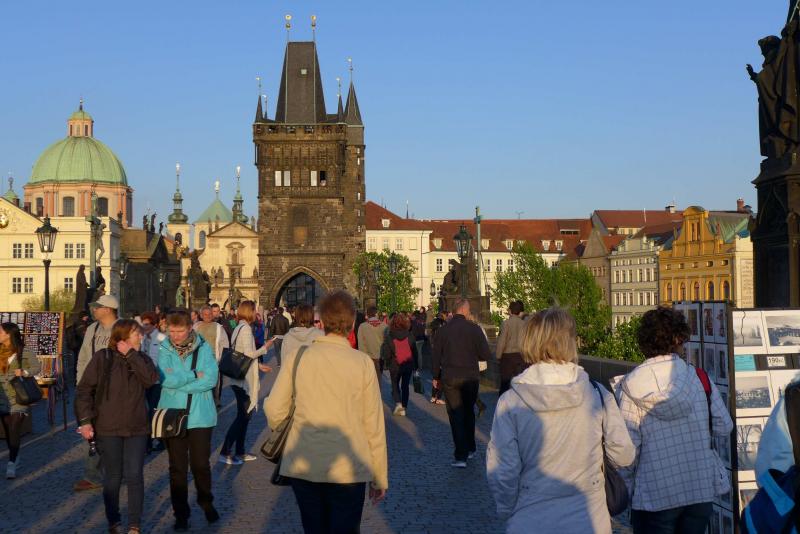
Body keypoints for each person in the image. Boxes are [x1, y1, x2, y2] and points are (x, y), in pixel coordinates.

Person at [486, 308, 635, 533]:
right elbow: (624, 454)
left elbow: (502, 470)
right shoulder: (597, 395)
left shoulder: (511, 401)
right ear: (570, 342)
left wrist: (510, 511)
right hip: (589, 518)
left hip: (531, 518)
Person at [265, 291, 388, 533]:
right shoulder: (362, 362)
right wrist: (379, 477)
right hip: (348, 466)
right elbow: (373, 425)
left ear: (321, 321)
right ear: (352, 322)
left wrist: (295, 436)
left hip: (305, 463)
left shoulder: (299, 357)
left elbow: (274, 409)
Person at [612, 306, 733, 534]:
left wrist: (624, 492)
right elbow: (723, 426)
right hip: (698, 490)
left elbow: (627, 452)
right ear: (678, 339)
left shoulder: (630, 387)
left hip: (654, 495)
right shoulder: (698, 378)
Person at [75, 320, 159, 534]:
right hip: (108, 426)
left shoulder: (143, 359)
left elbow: (150, 380)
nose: (141, 337)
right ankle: (114, 521)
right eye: (137, 334)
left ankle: (134, 525)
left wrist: (131, 355)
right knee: (113, 477)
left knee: (135, 475)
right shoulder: (102, 358)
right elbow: (84, 390)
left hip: (137, 427)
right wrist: (85, 421)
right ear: (123, 337)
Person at [158, 310, 220, 531]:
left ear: (190, 328)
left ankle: (205, 500)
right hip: (173, 414)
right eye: (172, 331)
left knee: (200, 465)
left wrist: (180, 382)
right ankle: (181, 513)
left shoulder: (203, 348)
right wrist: (194, 375)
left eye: (180, 331)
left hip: (200, 415)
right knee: (177, 468)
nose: (175, 336)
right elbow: (165, 379)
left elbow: (211, 379)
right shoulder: (163, 349)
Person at [432, 298, 490, 467]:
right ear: (464, 310)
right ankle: (471, 448)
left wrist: (436, 377)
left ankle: (460, 456)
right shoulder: (474, 329)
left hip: (450, 376)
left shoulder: (443, 330)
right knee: (468, 411)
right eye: (468, 309)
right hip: (470, 376)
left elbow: (436, 356)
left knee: (456, 414)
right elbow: (485, 354)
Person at [74, 294, 120, 492]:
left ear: (108, 309)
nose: (94, 310)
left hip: (116, 390)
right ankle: (92, 475)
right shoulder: (92, 329)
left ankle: (118, 471)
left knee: (116, 431)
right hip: (92, 388)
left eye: (97, 307)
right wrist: (81, 384)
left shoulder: (122, 328)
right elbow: (83, 358)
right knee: (90, 430)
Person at [219, 300, 273, 465]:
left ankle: (240, 451)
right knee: (243, 416)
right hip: (243, 381)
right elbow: (249, 354)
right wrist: (266, 347)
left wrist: (259, 365)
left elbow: (242, 353)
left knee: (244, 416)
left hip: (238, 377)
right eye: (254, 310)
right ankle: (225, 451)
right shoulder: (246, 329)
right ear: (249, 311)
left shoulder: (239, 327)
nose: (256, 313)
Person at [0, 322, 38, 479]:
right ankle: (15, 456)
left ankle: (11, 463)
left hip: (18, 395)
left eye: (0, 332)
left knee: (14, 426)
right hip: (2, 396)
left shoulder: (24, 351)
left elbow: (36, 367)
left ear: (9, 334)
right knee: (8, 429)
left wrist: (24, 371)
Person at [380, 313, 418, 416]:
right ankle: (404, 406)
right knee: (405, 385)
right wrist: (416, 366)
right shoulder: (410, 335)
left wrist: (387, 362)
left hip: (395, 364)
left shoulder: (389, 336)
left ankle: (399, 404)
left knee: (395, 384)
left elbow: (387, 353)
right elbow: (414, 351)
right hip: (407, 363)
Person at [194, 306, 230, 406]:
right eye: (205, 314)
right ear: (201, 315)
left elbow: (225, 344)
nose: (208, 316)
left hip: (213, 360)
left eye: (209, 314)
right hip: (199, 361)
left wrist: (221, 359)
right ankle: (201, 403)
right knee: (200, 383)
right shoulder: (196, 326)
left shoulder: (218, 327)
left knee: (214, 383)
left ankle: (215, 401)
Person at [141, 311, 166, 453]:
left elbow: (166, 358)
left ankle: (158, 440)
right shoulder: (142, 338)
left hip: (158, 381)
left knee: (154, 410)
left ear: (154, 325)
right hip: (145, 380)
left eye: (147, 324)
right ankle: (150, 442)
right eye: (143, 324)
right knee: (146, 411)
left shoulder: (162, 338)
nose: (144, 327)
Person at [496, 301, 528, 396]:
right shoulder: (524, 324)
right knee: (519, 383)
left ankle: (503, 402)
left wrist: (498, 356)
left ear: (510, 311)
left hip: (507, 357)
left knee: (505, 384)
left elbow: (502, 341)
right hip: (520, 356)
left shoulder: (506, 323)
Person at [357, 306, 388, 381]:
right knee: (378, 378)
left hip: (368, 357)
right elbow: (387, 342)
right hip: (380, 356)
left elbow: (360, 343)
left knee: (369, 379)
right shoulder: (384, 326)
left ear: (367, 314)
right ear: (376, 314)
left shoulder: (362, 326)